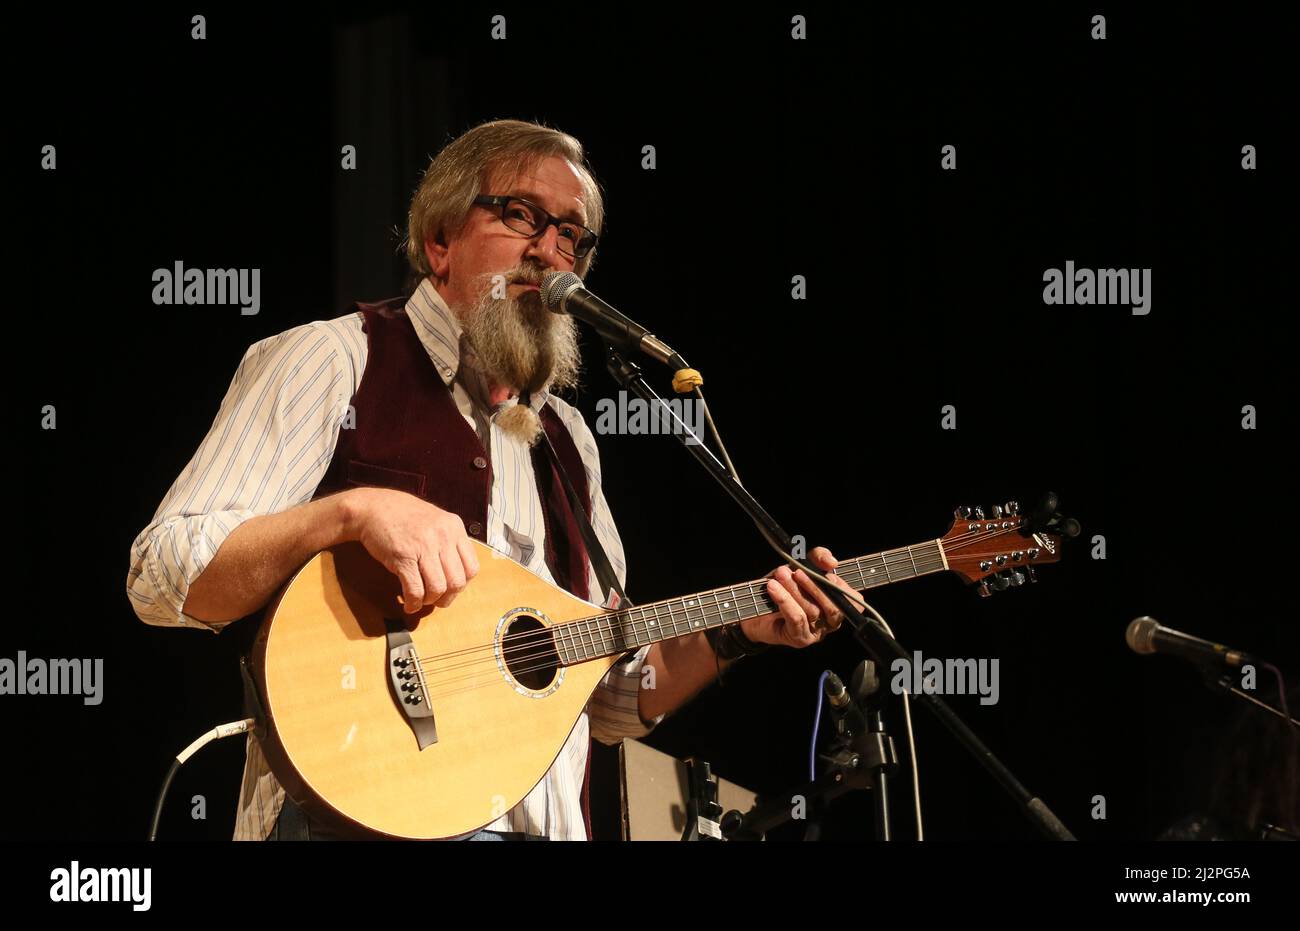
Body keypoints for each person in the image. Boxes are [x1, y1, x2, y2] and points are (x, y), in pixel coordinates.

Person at [127, 118, 857, 840]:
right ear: (439, 241)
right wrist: (350, 512)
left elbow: (604, 697)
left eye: (571, 234)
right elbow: (163, 573)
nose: (550, 250)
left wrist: (736, 635)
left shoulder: (568, 444)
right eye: (521, 215)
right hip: (350, 822)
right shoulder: (333, 360)